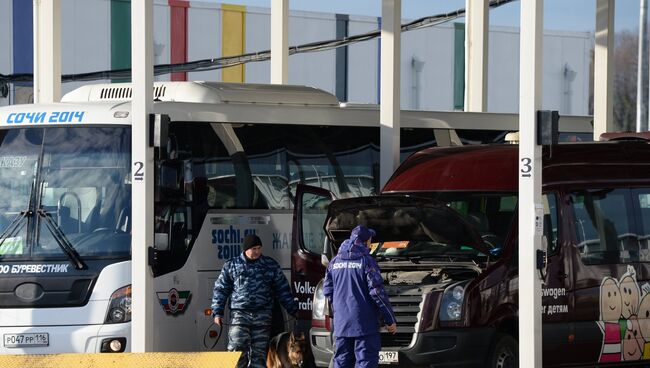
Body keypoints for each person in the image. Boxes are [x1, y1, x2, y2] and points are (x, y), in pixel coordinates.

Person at [211, 233, 298, 368]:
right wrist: (217, 312)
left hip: (262, 316)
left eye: (259, 248)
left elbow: (283, 289)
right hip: (240, 315)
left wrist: (293, 310)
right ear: (245, 249)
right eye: (254, 249)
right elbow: (221, 290)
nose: (257, 251)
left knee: (259, 354)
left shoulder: (270, 265)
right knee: (236, 349)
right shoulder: (232, 265)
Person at [323, 225, 397, 368]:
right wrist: (390, 320)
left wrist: (340, 309)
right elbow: (377, 293)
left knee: (342, 363)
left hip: (341, 326)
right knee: (365, 362)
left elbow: (327, 290)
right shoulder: (366, 261)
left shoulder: (335, 262)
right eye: (370, 239)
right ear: (366, 241)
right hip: (365, 326)